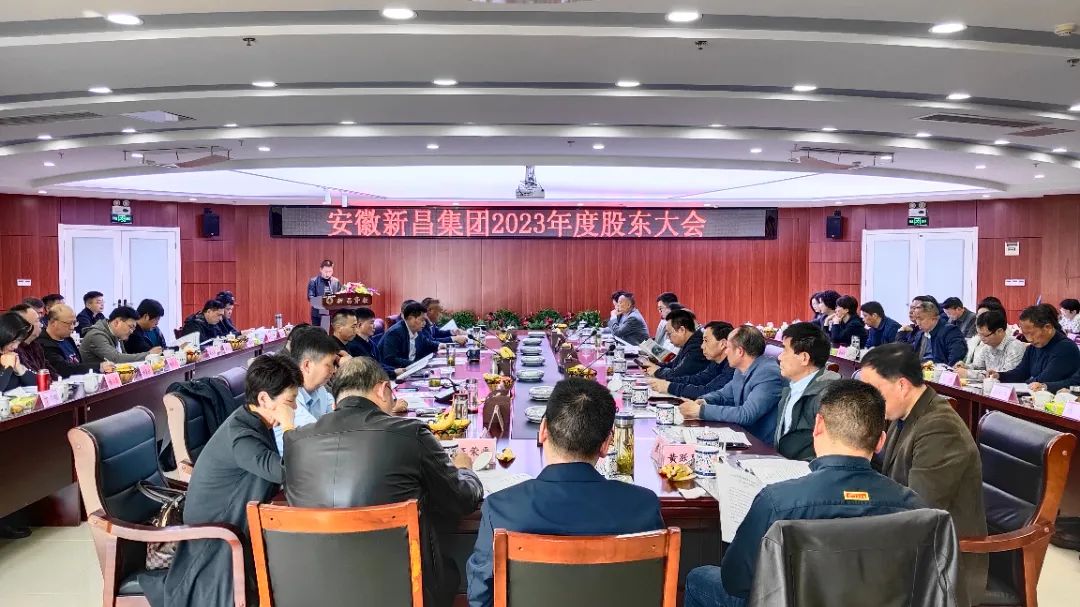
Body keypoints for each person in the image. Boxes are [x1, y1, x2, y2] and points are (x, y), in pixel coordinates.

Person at [683, 380, 926, 607]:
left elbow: (736, 581)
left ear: (818, 426)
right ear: (881, 441)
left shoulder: (777, 501)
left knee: (698, 577)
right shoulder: (913, 506)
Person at [284, 357, 483, 607]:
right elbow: (461, 500)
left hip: (313, 590)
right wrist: (465, 471)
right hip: (400, 589)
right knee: (455, 565)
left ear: (337, 399)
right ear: (383, 389)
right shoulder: (410, 433)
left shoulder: (296, 441)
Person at [467, 378, 665, 607]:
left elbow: (480, 598)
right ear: (606, 444)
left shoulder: (501, 508)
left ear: (543, 430)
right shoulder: (644, 506)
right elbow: (652, 589)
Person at [147, 354, 303, 607]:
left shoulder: (252, 420)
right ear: (264, 399)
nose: (293, 408)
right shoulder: (242, 436)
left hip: (233, 522)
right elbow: (286, 472)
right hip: (216, 538)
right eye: (290, 401)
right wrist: (288, 427)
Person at [860, 343, 987, 605]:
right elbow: (885, 473)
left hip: (941, 554)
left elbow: (920, 507)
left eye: (873, 390)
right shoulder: (905, 412)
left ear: (902, 385)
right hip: (911, 535)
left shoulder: (940, 427)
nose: (868, 401)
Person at [679, 326, 784, 445]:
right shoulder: (740, 369)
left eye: (728, 347)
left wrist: (701, 411)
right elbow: (723, 395)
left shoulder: (768, 373)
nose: (726, 351)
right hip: (741, 436)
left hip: (761, 446)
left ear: (740, 351)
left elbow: (746, 415)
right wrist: (704, 401)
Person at [774, 322, 840, 461]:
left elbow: (832, 453)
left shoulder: (828, 397)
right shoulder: (793, 386)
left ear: (804, 358)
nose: (779, 357)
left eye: (785, 350)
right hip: (783, 464)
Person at [272, 329, 341, 452]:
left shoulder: (320, 390)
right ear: (307, 365)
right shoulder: (286, 395)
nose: (334, 370)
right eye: (329, 364)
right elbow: (315, 437)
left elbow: (339, 418)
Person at [995, 304, 1080, 393]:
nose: (1029, 339)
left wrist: (1023, 385)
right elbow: (1021, 372)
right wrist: (999, 376)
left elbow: (1044, 379)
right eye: (1025, 334)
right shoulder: (1034, 346)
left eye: (1032, 333)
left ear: (1048, 328)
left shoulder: (1066, 348)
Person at [650, 321, 736, 399]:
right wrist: (668, 382)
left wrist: (670, 387)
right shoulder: (716, 361)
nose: (702, 346)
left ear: (723, 344)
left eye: (706, 341)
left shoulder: (733, 367)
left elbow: (708, 392)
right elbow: (699, 379)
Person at [36, 304, 115, 376]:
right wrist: (99, 366)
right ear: (53, 323)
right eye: (69, 323)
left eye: (74, 323)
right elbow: (63, 369)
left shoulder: (68, 339)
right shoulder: (43, 344)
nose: (72, 327)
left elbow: (79, 364)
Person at [79, 306, 160, 367]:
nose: (132, 331)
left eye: (133, 328)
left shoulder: (117, 334)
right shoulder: (96, 335)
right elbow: (116, 359)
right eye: (130, 327)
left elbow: (124, 356)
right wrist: (148, 354)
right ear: (117, 322)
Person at [955, 310, 1027, 377]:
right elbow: (978, 367)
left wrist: (968, 373)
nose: (981, 338)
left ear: (999, 331)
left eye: (985, 335)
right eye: (979, 334)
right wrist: (966, 367)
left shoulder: (1015, 347)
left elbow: (1005, 376)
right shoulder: (987, 347)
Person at [645, 308, 708, 379]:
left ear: (682, 330)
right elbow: (674, 365)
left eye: (669, 334)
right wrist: (654, 365)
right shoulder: (688, 341)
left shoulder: (697, 346)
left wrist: (656, 371)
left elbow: (678, 374)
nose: (668, 338)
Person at [347, 307, 404, 378]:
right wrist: (393, 372)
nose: (374, 326)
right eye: (371, 323)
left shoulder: (371, 343)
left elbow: (379, 364)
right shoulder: (353, 346)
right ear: (359, 325)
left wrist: (394, 370)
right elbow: (369, 370)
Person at [380, 301, 438, 369]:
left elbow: (427, 343)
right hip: (395, 372)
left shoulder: (416, 330)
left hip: (411, 368)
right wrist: (416, 364)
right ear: (411, 319)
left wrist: (441, 345)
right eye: (422, 320)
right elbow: (390, 359)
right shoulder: (395, 333)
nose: (425, 323)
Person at [910, 300, 967, 365]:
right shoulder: (920, 334)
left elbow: (955, 358)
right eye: (916, 319)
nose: (918, 323)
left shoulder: (950, 331)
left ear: (934, 319)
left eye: (921, 319)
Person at [0, 312, 35, 392]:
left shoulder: (12, 354)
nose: (15, 346)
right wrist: (7, 368)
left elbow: (35, 385)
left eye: (19, 341)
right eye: (13, 342)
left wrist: (20, 370)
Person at [11, 304, 47, 374]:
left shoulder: (36, 345)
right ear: (25, 326)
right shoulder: (14, 350)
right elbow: (32, 376)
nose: (41, 325)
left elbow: (48, 370)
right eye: (37, 321)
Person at [307, 259, 342, 326]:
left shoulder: (336, 281)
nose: (328, 274)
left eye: (330, 271)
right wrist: (323, 301)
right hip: (317, 315)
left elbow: (340, 296)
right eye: (326, 271)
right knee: (318, 332)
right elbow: (310, 298)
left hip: (332, 314)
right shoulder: (313, 281)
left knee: (329, 331)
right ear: (321, 269)